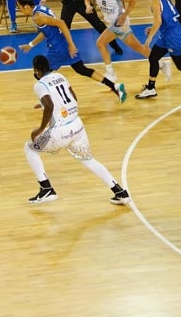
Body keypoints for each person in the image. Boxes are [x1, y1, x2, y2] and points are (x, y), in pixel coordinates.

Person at [23, 54, 131, 205]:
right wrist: (46, 106)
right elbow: (73, 98)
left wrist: (40, 128)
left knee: (30, 149)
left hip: (60, 131)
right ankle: (120, 192)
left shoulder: (40, 84)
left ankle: (46, 188)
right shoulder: (60, 76)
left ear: (36, 71)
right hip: (77, 126)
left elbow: (50, 105)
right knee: (89, 160)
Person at [18, 0, 127, 103]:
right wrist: (30, 45)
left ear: (26, 6)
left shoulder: (38, 17)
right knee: (82, 69)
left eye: (19, 8)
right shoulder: (40, 9)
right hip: (62, 43)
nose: (20, 10)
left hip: (58, 48)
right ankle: (115, 87)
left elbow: (62, 23)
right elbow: (46, 31)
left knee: (40, 73)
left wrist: (71, 45)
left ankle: (48, 102)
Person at [86, 0, 150, 82]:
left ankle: (110, 73)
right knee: (138, 47)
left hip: (120, 22)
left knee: (100, 43)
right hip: (112, 22)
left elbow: (132, 1)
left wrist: (124, 16)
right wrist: (88, 6)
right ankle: (160, 63)